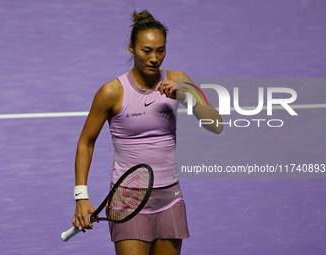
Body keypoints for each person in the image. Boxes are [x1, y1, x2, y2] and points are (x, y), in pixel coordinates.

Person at [71, 10, 223, 255]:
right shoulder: (112, 92)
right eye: (146, 50)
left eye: (160, 50)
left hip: (170, 198)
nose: (154, 58)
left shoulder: (179, 80)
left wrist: (187, 96)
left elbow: (216, 124)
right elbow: (86, 143)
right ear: (131, 48)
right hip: (128, 200)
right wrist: (81, 196)